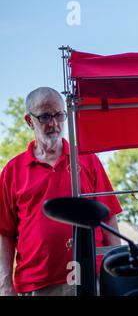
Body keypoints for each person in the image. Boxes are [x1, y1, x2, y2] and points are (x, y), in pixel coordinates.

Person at [0, 87, 122, 296]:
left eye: (59, 115)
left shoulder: (87, 159)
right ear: (29, 121)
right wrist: (5, 285)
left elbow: (109, 217)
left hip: (90, 279)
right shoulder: (12, 170)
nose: (54, 124)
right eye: (45, 117)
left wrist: (116, 270)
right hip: (37, 285)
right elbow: (4, 232)